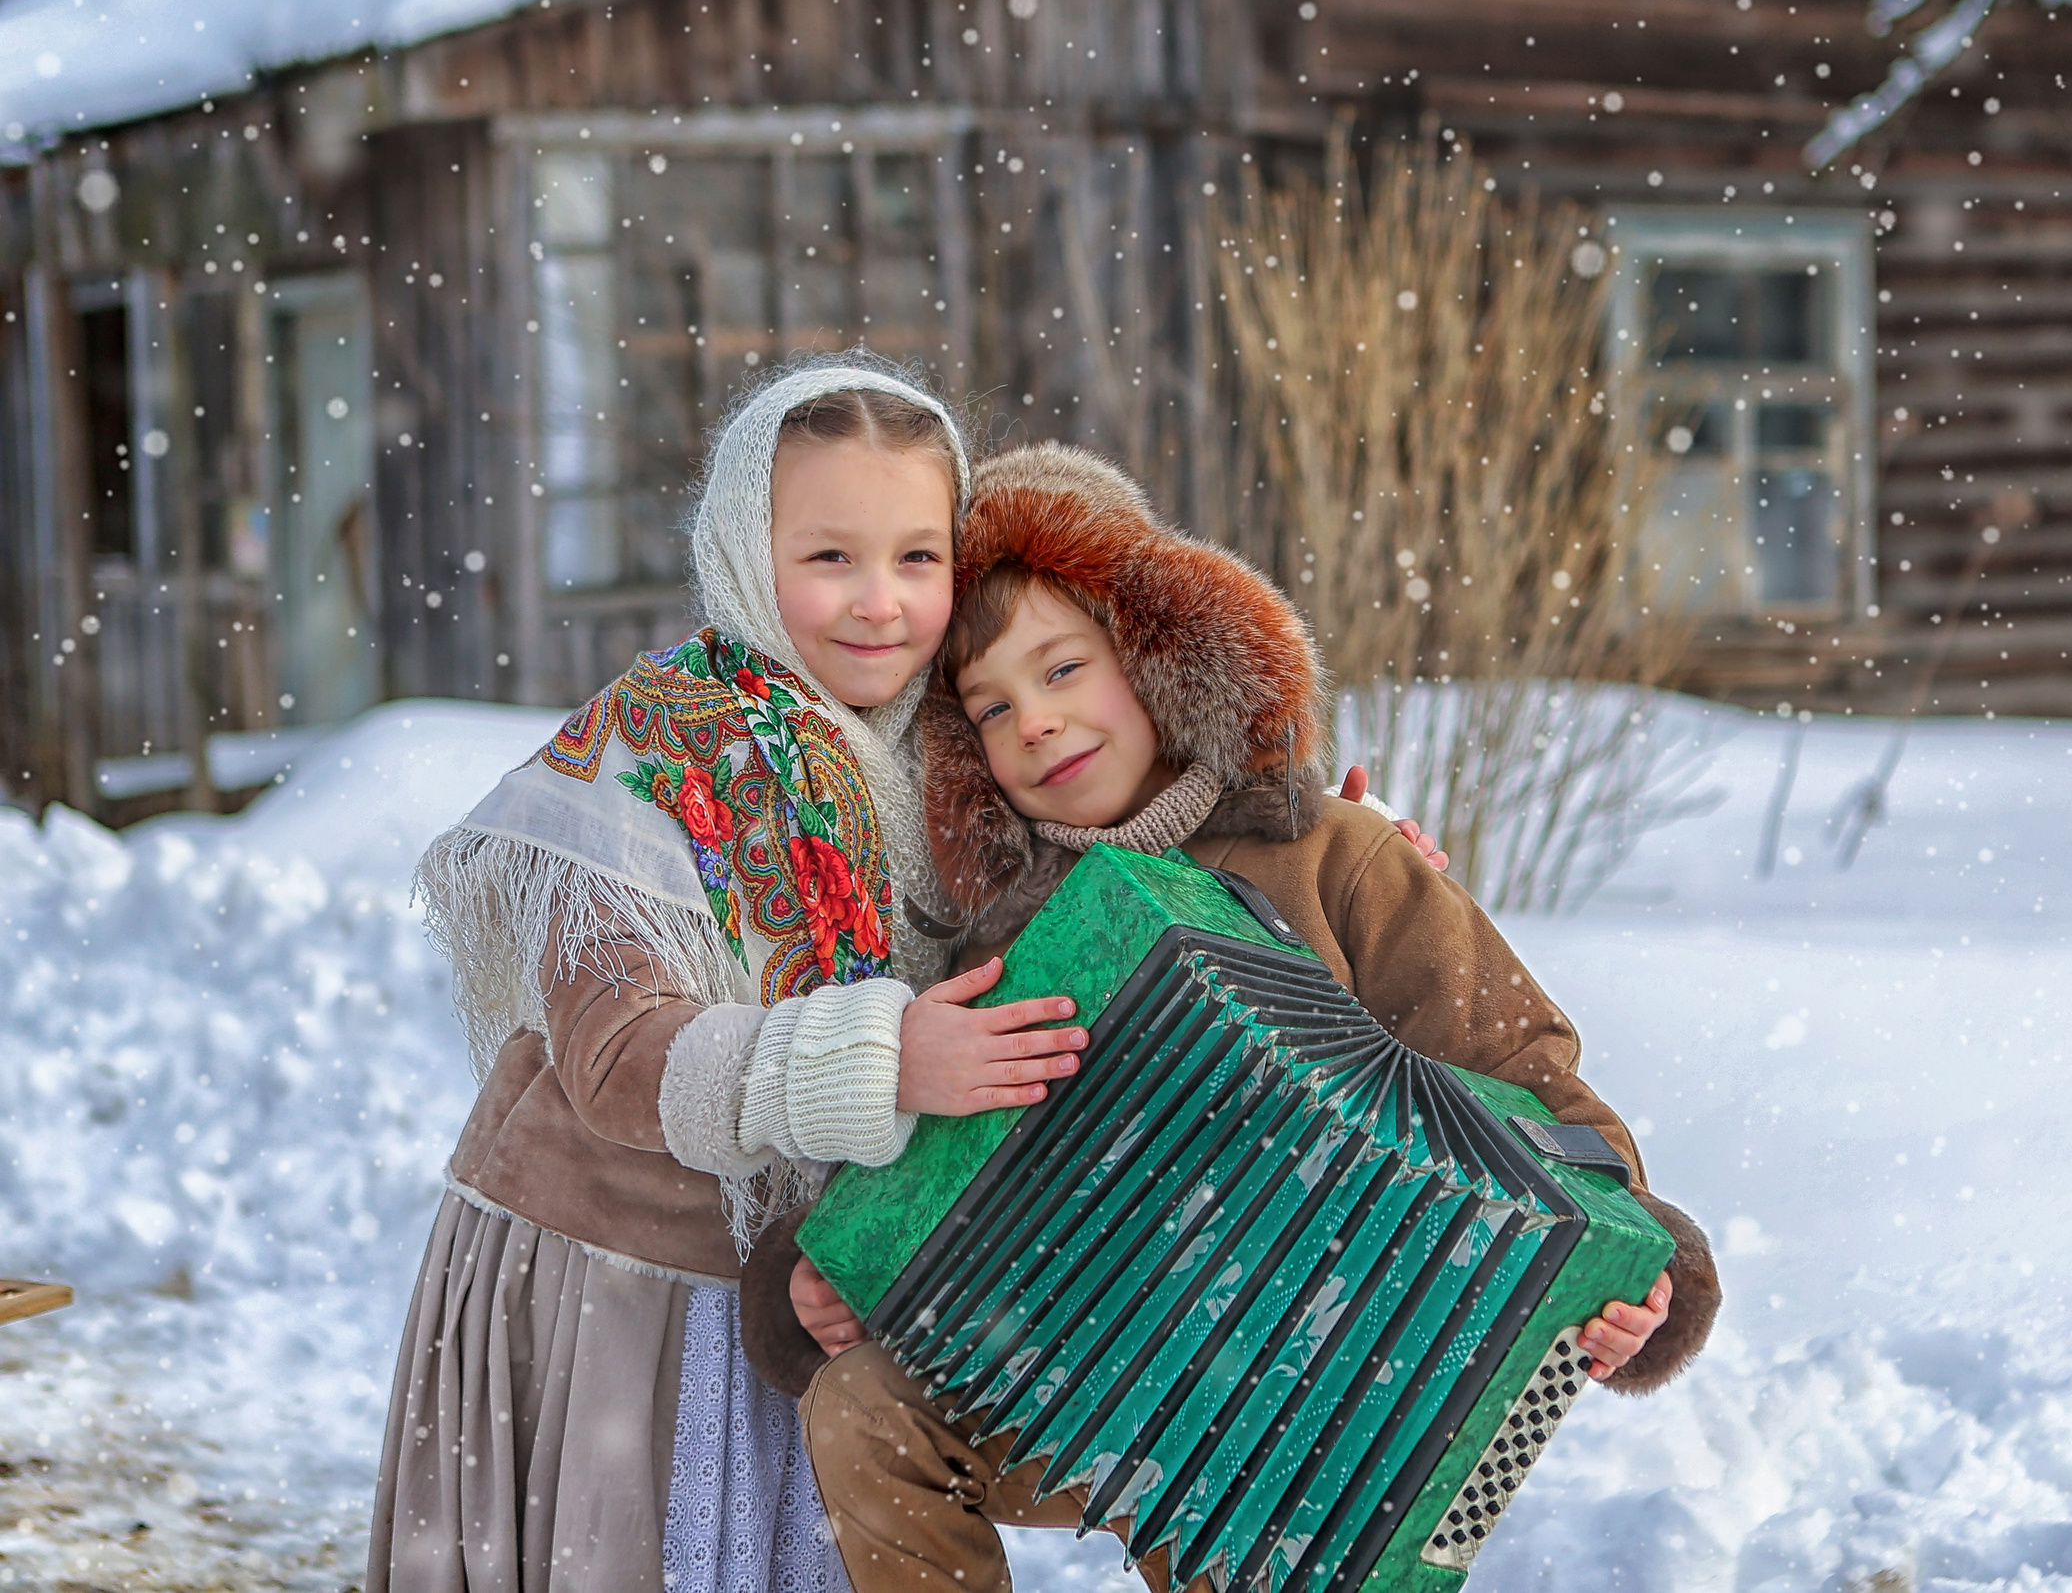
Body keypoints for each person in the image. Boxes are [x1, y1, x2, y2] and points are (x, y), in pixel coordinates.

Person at [745, 441, 1721, 1593]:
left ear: (1160, 660)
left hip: (1328, 1395)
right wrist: (805, 1288)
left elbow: (1541, 1095)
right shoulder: (999, 945)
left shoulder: (1341, 856)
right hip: (1077, 1365)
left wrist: (1646, 1286)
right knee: (867, 1408)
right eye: (991, 709)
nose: (1038, 725)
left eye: (1064, 671)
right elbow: (910, 1173)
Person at [371, 356, 1090, 1593]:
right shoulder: (650, 751)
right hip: (631, 1297)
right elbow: (616, 1061)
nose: (881, 604)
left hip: (832, 1290)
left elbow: (1134, 852)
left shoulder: (962, 739)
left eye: (918, 557)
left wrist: (1330, 848)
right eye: (829, 558)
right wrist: (884, 1057)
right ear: (745, 551)